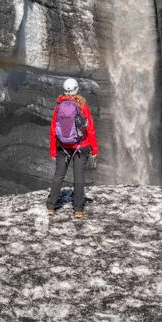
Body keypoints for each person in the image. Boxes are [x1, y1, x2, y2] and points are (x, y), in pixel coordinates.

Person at [47, 77, 98, 219]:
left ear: (64, 90)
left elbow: (52, 129)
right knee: (79, 178)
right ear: (76, 89)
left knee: (58, 176)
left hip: (62, 147)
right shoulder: (82, 105)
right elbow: (90, 129)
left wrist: (53, 150)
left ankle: (51, 206)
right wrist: (94, 149)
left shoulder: (59, 105)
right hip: (81, 147)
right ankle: (78, 210)